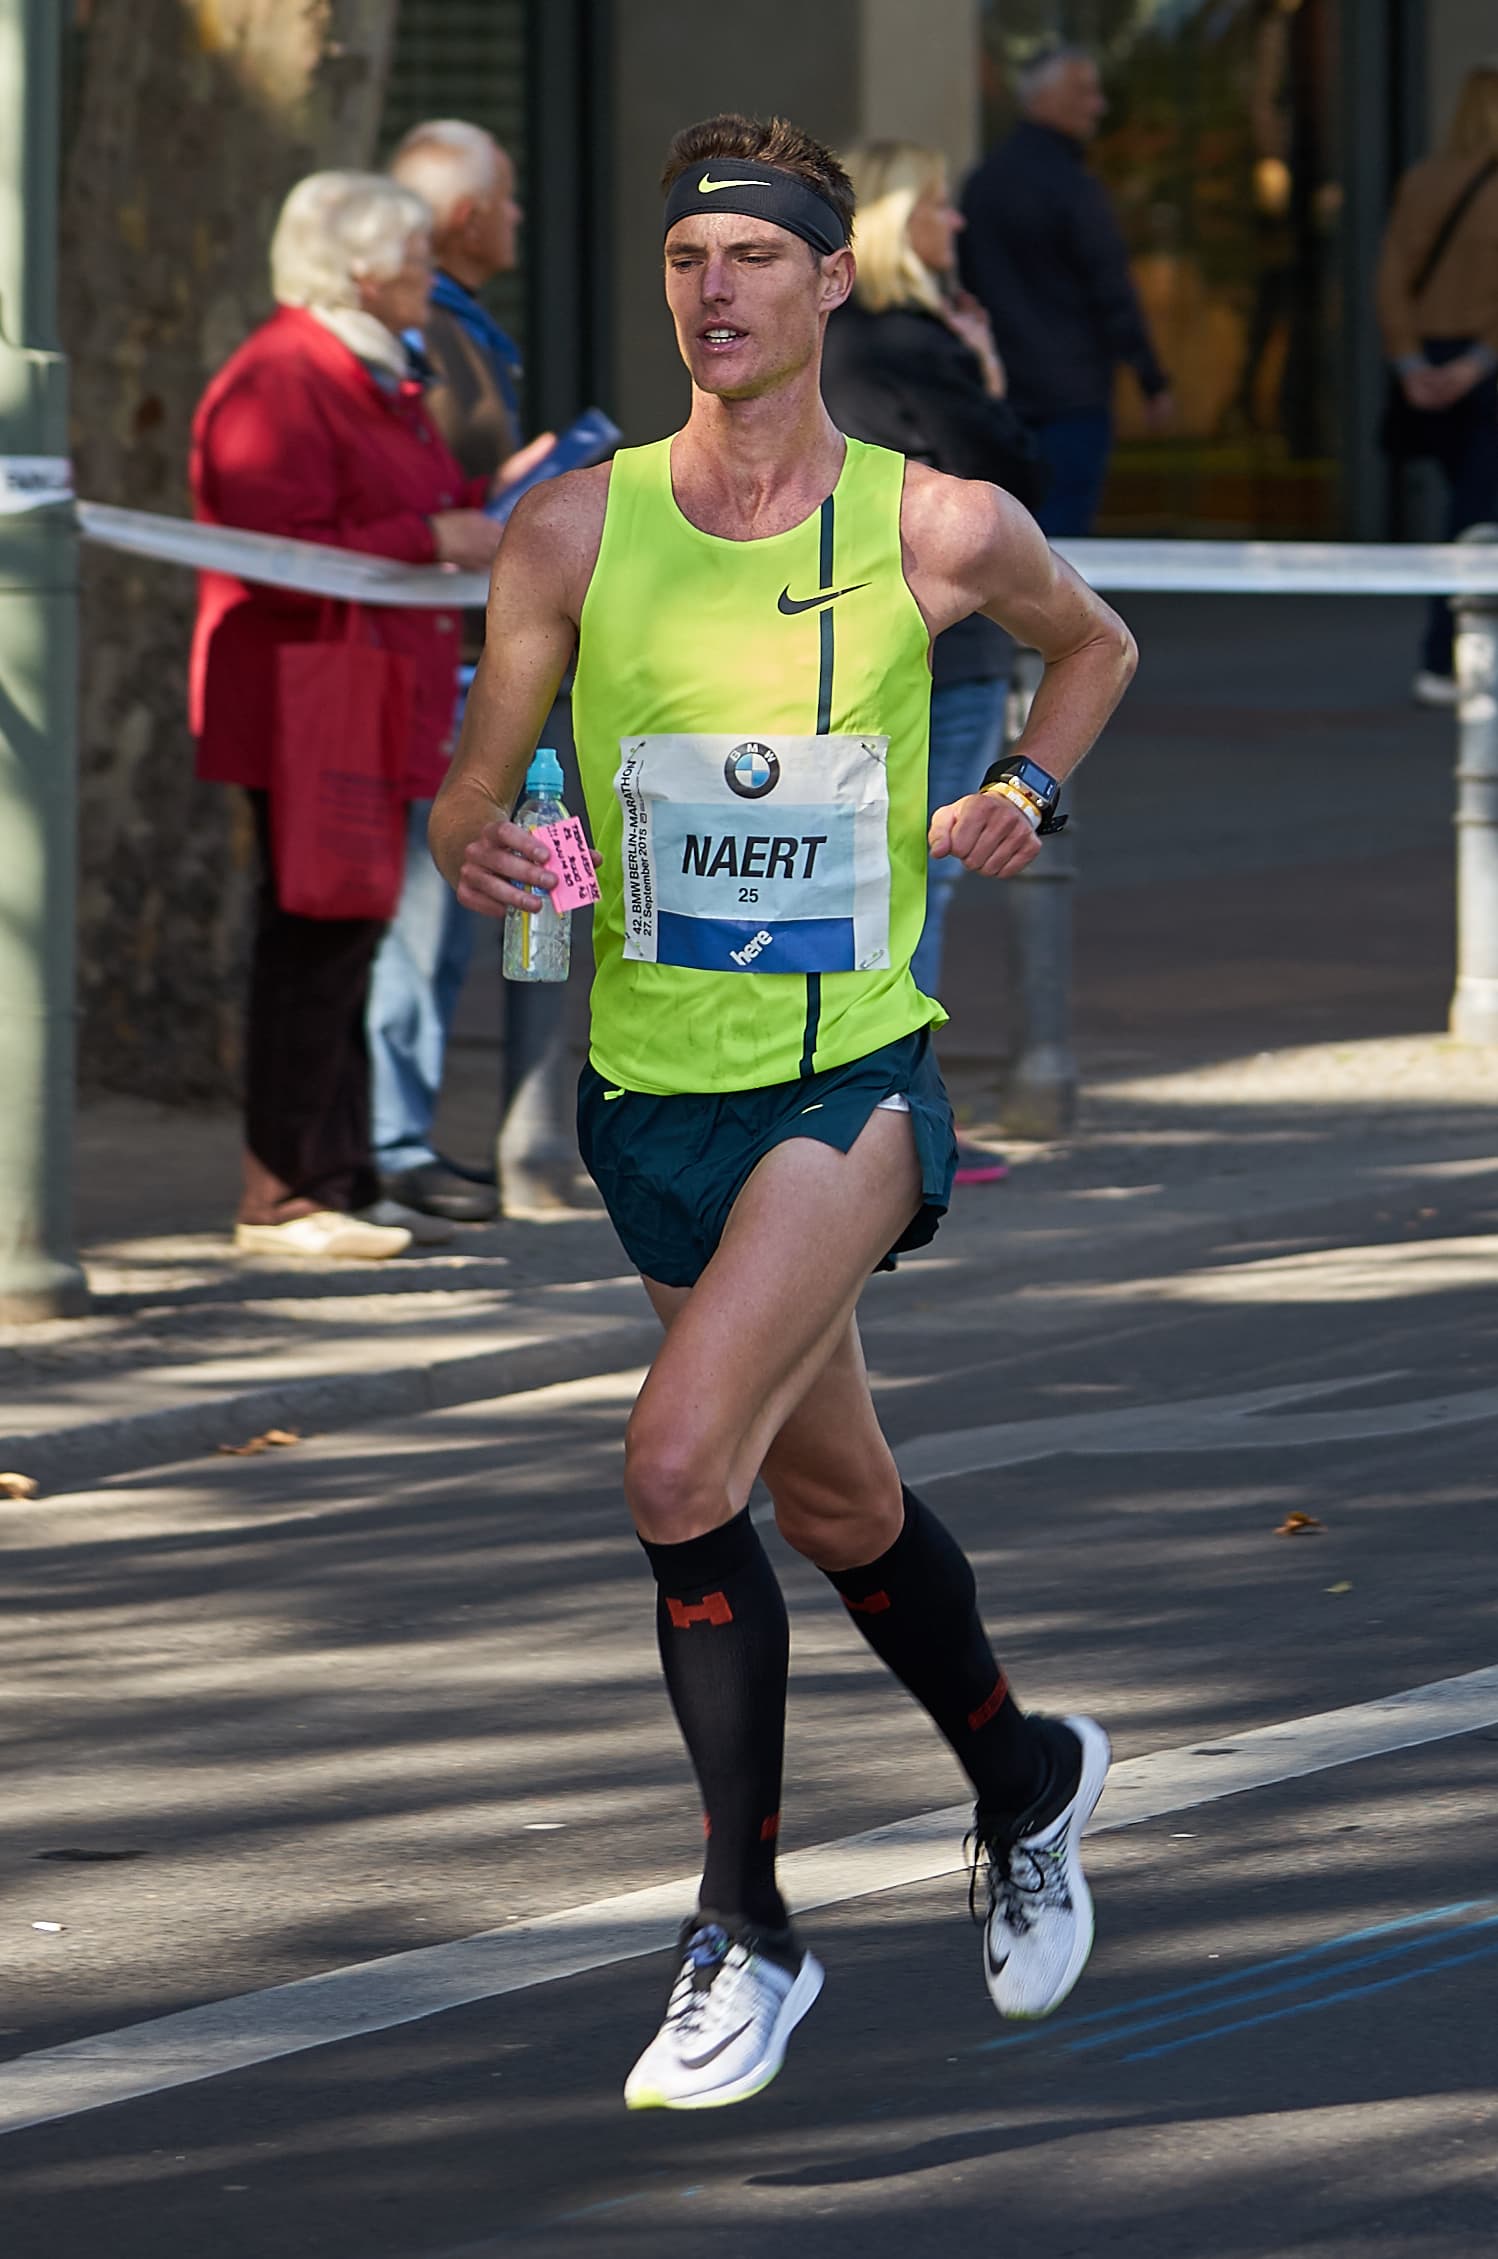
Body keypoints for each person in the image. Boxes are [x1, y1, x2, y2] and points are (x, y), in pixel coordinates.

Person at [431, 111, 1136, 2112]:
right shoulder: (567, 530)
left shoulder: (935, 524)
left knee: (675, 1462)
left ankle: (744, 1924)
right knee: (826, 1502)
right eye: (686, 260)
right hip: (650, 1094)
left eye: (753, 255)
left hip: (852, 1083)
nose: (713, 288)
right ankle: (1025, 1773)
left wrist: (1032, 789)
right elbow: (472, 786)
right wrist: (486, 843)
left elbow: (1090, 647)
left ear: (831, 282)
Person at [190, 170, 501, 1260]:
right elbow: (283, 549)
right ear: (362, 273)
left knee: (347, 932)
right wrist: (432, 538)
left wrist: (448, 526)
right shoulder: (285, 376)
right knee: (314, 934)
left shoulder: (364, 371)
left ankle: (338, 1174)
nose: (431, 279)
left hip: (366, 691)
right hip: (309, 700)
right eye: (415, 261)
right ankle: (284, 1195)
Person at [822, 139, 1048, 1181]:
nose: (956, 226)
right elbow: (1011, 475)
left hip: (857, 645)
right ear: (894, 216)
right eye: (940, 207)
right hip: (934, 656)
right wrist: (988, 369)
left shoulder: (825, 343)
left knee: (875, 884)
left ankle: (880, 1115)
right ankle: (899, 1122)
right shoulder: (906, 343)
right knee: (914, 885)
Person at [363, 121, 557, 1225]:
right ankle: (392, 1142)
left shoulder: (459, 325)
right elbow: (412, 508)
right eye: (511, 198)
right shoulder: (418, 329)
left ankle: (415, 1135)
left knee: (481, 902)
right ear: (464, 216)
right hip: (432, 663)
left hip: (488, 655)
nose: (524, 217)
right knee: (423, 908)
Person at [959, 45, 1173, 535]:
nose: (1098, 106)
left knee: (1007, 539)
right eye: (1084, 91)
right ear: (1041, 99)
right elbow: (1110, 288)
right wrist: (1152, 379)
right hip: (1069, 396)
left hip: (1002, 393)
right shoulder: (1072, 186)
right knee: (1062, 547)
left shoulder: (984, 182)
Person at [1376, 62, 1498, 707]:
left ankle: (1449, 654)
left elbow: (1391, 278)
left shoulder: (1423, 180)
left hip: (1432, 363)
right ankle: (1444, 655)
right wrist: (1475, 365)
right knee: (1474, 520)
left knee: (1465, 510)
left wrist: (1411, 364)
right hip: (1483, 368)